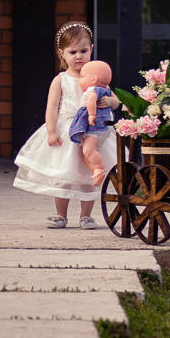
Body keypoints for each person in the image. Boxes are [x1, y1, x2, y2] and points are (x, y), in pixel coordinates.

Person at [13, 22, 121, 229]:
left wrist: (110, 102)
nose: (78, 56)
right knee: (63, 176)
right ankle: (61, 215)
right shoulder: (61, 79)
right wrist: (51, 130)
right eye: (73, 52)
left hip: (93, 132)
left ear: (92, 49)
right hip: (67, 132)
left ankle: (86, 216)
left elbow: (116, 100)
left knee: (88, 178)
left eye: (83, 50)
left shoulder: (97, 80)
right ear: (62, 53)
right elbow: (52, 107)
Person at [68, 60, 114, 183]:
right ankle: (97, 173)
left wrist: (91, 114)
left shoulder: (92, 90)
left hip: (96, 125)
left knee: (88, 150)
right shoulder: (104, 90)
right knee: (87, 156)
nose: (79, 79)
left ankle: (100, 168)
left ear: (93, 79)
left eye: (82, 77)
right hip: (104, 127)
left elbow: (91, 101)